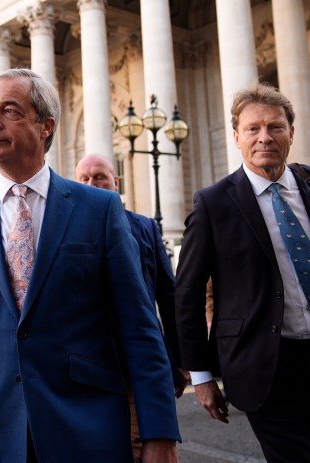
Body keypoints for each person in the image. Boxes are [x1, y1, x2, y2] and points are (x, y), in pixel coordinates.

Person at [0, 68, 180, 463]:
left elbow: (139, 326)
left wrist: (159, 432)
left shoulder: (99, 209)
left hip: (85, 425)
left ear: (46, 126)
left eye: (9, 110)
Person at [175, 83, 310, 462]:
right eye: (253, 129)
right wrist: (200, 376)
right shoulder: (213, 203)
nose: (264, 137)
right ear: (237, 137)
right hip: (261, 359)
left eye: (275, 127)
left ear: (291, 133)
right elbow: (187, 294)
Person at [75, 153, 189, 453]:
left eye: (99, 176)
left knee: (143, 446)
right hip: (84, 370)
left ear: (116, 181)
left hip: (137, 367)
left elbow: (168, 296)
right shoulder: (62, 233)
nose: (92, 183)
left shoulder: (145, 227)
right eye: (84, 179)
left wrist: (180, 359)